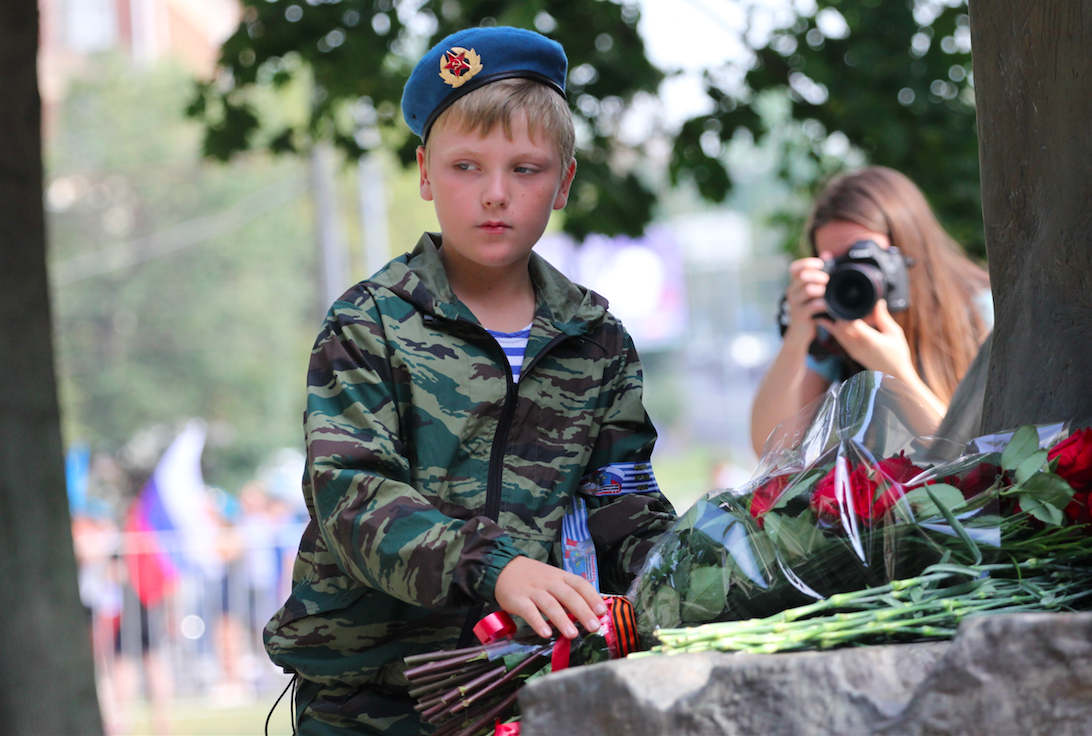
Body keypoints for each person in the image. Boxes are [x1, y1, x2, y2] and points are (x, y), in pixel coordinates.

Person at [264, 26, 675, 734]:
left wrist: (698, 570)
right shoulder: (371, 325)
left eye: (525, 169)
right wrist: (496, 567)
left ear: (564, 182)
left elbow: (621, 503)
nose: (495, 194)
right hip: (370, 701)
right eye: (465, 167)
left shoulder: (597, 341)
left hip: (521, 687)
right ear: (425, 173)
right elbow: (352, 496)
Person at [750, 166, 992, 455]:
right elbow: (770, 449)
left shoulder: (982, 311)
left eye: (862, 257)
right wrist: (796, 336)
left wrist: (894, 371)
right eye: (836, 265)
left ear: (908, 250)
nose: (851, 278)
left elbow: (974, 457)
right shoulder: (836, 328)